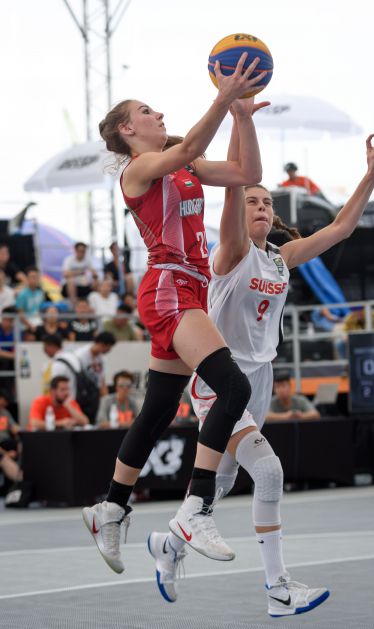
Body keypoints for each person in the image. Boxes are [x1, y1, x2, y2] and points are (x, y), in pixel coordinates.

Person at [149, 116, 374, 616]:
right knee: (269, 471)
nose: (260, 207)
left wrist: (370, 175)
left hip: (259, 380)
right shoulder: (230, 252)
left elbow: (341, 228)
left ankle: (168, 545)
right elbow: (235, 182)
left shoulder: (280, 258)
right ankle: (277, 589)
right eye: (252, 201)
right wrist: (241, 116)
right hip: (221, 380)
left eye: (266, 202)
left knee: (219, 484)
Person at [82, 54, 269, 574]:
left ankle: (110, 507)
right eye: (146, 111)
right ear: (127, 130)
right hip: (169, 287)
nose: (158, 114)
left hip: (189, 289)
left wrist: (243, 118)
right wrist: (224, 97)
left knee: (160, 408)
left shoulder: (184, 164)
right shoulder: (138, 169)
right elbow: (187, 147)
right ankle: (196, 509)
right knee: (233, 388)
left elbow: (247, 173)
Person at [51, 331, 116, 399]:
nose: (109, 350)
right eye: (109, 347)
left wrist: (105, 399)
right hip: (81, 391)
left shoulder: (101, 358)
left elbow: (102, 380)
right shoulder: (80, 355)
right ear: (102, 344)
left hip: (93, 391)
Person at [0, 390, 22, 484]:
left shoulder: (5, 412)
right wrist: (6, 454)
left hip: (6, 442)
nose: (5, 403)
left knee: (21, 444)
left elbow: (13, 427)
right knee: (4, 458)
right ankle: (21, 480)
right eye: (3, 400)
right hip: (1, 448)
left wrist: (21, 431)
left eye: (6, 401)